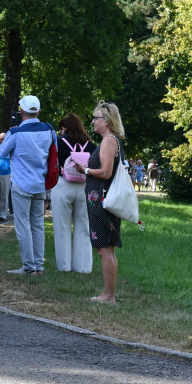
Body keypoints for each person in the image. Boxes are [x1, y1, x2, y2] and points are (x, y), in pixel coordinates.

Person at [0, 95, 56, 276]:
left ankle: (29, 266)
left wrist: (10, 132)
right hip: (40, 182)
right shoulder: (49, 130)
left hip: (22, 183)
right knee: (38, 225)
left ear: (21, 111)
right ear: (38, 111)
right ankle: (38, 266)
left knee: (23, 226)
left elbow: (2, 152)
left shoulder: (15, 133)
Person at [77, 101, 126, 303]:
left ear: (105, 121)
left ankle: (108, 295)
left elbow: (105, 172)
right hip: (105, 200)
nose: (93, 122)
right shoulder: (113, 140)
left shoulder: (108, 141)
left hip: (101, 201)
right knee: (108, 248)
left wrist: (85, 170)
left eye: (96, 118)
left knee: (103, 248)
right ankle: (110, 294)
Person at [51, 113, 93, 274]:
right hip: (84, 186)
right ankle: (82, 267)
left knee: (62, 227)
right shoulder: (90, 144)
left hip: (63, 185)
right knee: (84, 227)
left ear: (64, 128)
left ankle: (64, 266)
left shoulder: (59, 142)